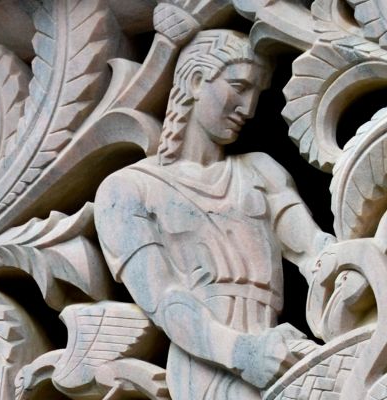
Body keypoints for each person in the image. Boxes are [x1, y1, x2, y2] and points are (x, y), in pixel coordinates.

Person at [94, 29, 335, 399]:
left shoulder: (261, 172)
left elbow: (313, 250)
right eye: (238, 86)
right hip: (206, 364)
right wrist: (241, 353)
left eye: (257, 93)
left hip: (279, 350)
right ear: (194, 81)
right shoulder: (127, 190)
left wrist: (349, 267)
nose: (249, 107)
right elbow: (163, 297)